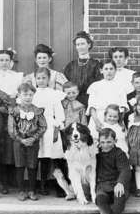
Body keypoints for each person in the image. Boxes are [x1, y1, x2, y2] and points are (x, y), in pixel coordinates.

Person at [8, 83, 47, 201]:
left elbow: (43, 126)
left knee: (32, 166)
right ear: (19, 95)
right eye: (25, 94)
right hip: (18, 142)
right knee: (20, 166)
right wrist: (21, 139)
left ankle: (32, 190)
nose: (28, 97)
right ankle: (21, 191)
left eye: (30, 95)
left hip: (33, 142)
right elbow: (11, 128)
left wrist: (33, 138)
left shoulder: (37, 111)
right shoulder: (14, 111)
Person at [32, 67, 66, 196]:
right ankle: (41, 184)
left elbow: (59, 113)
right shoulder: (32, 93)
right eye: (38, 78)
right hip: (34, 126)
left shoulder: (53, 93)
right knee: (38, 156)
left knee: (52, 156)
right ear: (35, 79)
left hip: (50, 127)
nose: (41, 81)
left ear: (49, 79)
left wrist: (57, 127)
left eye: (44, 78)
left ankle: (59, 185)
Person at [0, 49, 23, 191]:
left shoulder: (17, 77)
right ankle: (1, 181)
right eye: (1, 60)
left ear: (11, 62)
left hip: (12, 113)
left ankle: (13, 180)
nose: (4, 63)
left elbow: (19, 95)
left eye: (7, 60)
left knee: (11, 146)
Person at [95, 128, 131, 214]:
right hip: (103, 185)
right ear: (98, 142)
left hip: (117, 184)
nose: (105, 145)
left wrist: (120, 183)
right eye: (102, 142)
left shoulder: (119, 153)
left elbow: (125, 170)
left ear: (115, 141)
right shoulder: (96, 154)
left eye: (109, 142)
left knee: (120, 196)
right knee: (100, 199)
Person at [87, 60, 128, 142]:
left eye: (111, 69)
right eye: (106, 69)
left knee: (117, 141)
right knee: (97, 143)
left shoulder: (121, 86)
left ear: (115, 70)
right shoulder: (95, 86)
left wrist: (120, 121)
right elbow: (91, 106)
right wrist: (97, 122)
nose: (109, 71)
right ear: (101, 70)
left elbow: (123, 106)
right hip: (99, 118)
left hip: (115, 119)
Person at [64, 31, 102, 107]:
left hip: (90, 100)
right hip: (73, 100)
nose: (80, 47)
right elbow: (66, 84)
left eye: (82, 44)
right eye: (78, 44)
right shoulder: (70, 66)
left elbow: (99, 85)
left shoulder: (96, 64)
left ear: (89, 45)